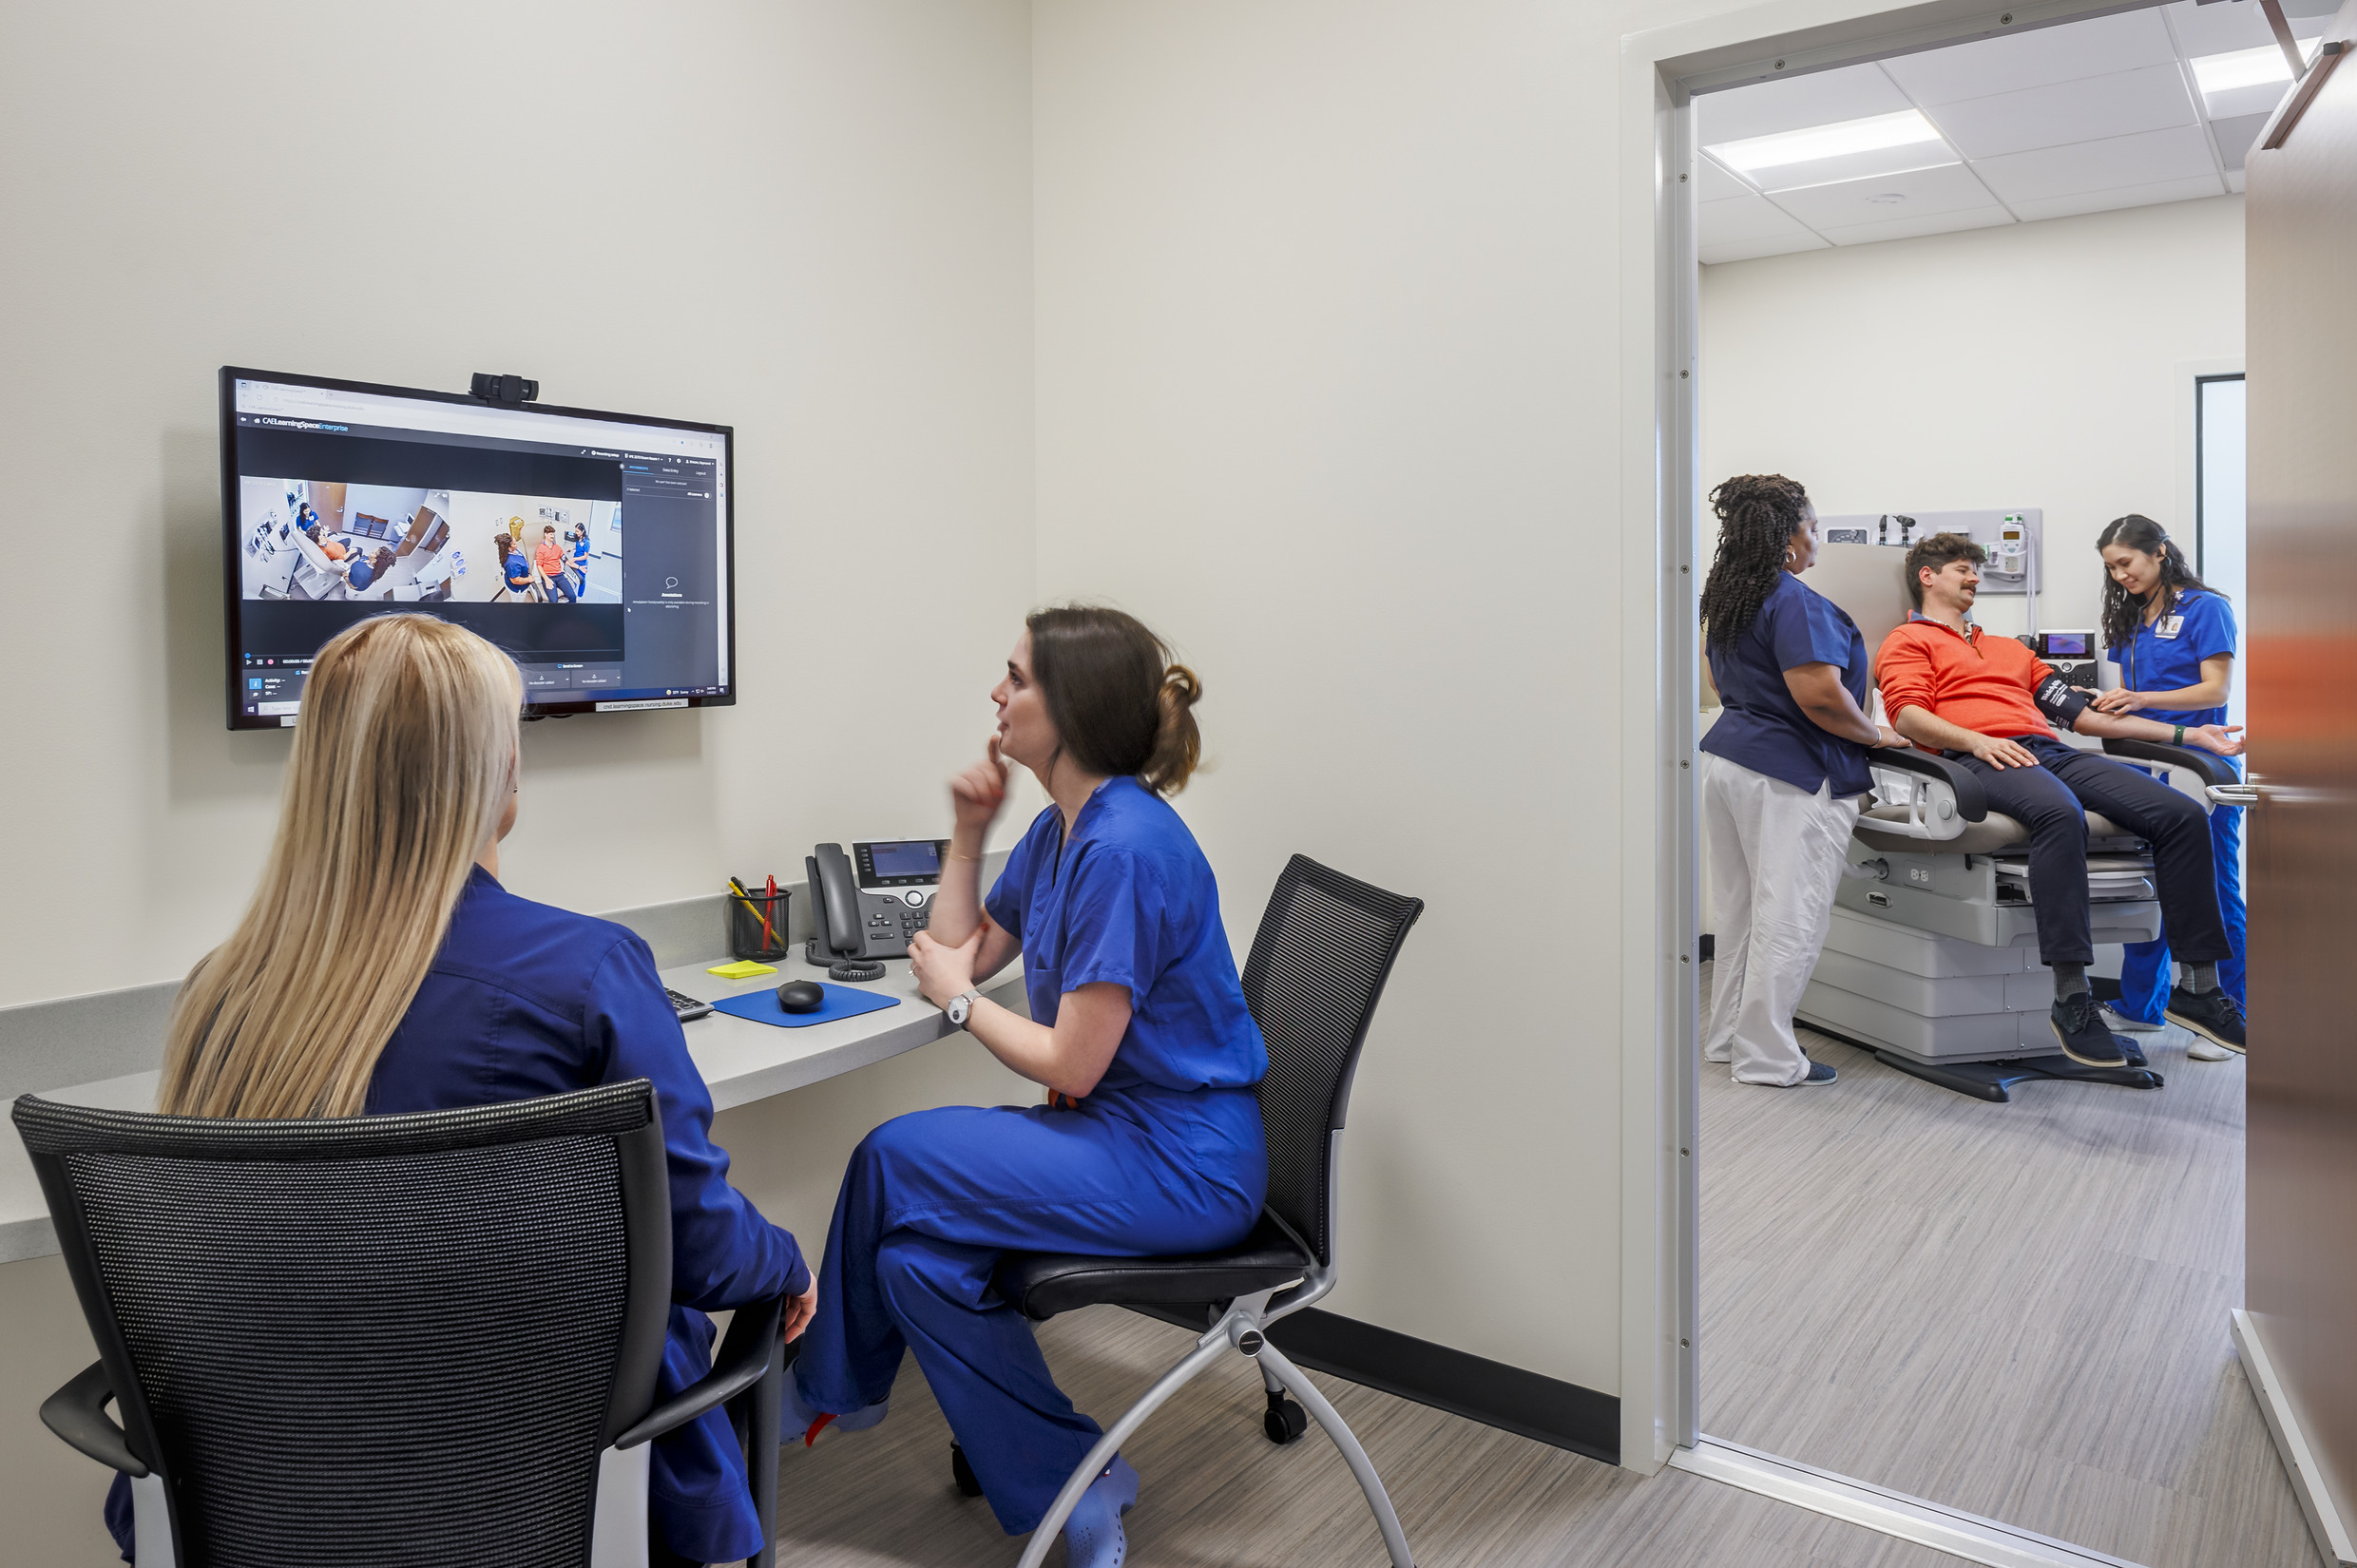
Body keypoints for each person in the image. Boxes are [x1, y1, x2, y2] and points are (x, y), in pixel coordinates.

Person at [130, 616, 809, 1568]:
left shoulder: (222, 996)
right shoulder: (590, 975)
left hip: (273, 1501)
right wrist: (785, 1262)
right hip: (542, 1493)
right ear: (495, 774)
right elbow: (702, 1248)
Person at [788, 605, 1267, 1568]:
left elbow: (1068, 1060)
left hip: (1183, 1161)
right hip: (1117, 1136)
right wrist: (970, 831)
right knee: (911, 1266)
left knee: (888, 1157)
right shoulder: (1061, 831)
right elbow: (962, 944)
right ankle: (1077, 1487)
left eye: (1015, 677)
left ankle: (812, 1393)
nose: (995, 694)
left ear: (1073, 709)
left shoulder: (1123, 847)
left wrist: (962, 1005)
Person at [1876, 532, 2248, 1066]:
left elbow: (2085, 717)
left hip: (2048, 750)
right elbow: (1908, 714)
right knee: (2059, 814)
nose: (1975, 578)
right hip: (1977, 757)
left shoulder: (2010, 650)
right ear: (1928, 577)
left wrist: (2190, 738)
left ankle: (2200, 988)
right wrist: (1976, 739)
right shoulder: (1907, 642)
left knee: (2182, 815)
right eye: (1963, 569)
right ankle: (2074, 999)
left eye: (1976, 570)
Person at [1698, 475, 1903, 1087]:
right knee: (1789, 913)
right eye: (1812, 528)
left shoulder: (1731, 598)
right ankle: (1768, 1058)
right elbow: (1819, 696)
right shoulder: (1795, 601)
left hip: (1729, 762)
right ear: (1787, 539)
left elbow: (1716, 682)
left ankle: (1728, 1039)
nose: (1817, 540)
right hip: (1791, 772)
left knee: (1740, 913)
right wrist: (1876, 736)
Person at [2088, 515, 2245, 1059]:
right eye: (2110, 567)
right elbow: (2125, 693)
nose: (2119, 575)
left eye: (2125, 563)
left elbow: (2215, 686)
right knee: (2147, 884)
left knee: (2215, 889)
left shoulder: (2206, 608)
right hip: (2142, 763)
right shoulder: (2130, 617)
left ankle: (2232, 1015)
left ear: (2158, 552)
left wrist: (2141, 699)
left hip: (2200, 766)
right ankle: (2140, 1007)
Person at [534, 524, 575, 603]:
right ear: (545, 534)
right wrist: (546, 579)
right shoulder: (540, 548)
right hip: (548, 577)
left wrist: (579, 567)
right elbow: (539, 566)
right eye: (550, 534)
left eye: (553, 534)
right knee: (553, 601)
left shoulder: (557, 547)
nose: (552, 536)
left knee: (572, 596)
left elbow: (565, 560)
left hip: (559, 575)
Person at [497, 532, 536, 602]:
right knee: (518, 606)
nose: (516, 544)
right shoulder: (511, 563)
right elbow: (515, 580)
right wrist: (529, 579)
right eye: (514, 544)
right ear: (508, 548)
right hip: (518, 590)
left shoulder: (514, 551)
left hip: (516, 579)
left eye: (515, 541)